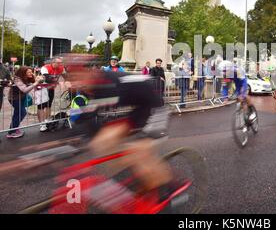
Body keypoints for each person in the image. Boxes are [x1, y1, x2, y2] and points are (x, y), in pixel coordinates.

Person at [61, 54, 186, 210]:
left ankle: (170, 185)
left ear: (90, 72)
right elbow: (87, 120)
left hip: (155, 107)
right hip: (138, 109)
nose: (75, 83)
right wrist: (58, 148)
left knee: (138, 150)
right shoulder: (95, 86)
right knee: (104, 143)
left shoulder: (106, 83)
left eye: (78, 77)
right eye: (73, 78)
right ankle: (140, 176)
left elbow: (90, 119)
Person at [7, 67, 44, 138]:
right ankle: (11, 132)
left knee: (17, 114)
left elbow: (39, 81)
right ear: (24, 73)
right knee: (22, 112)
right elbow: (24, 90)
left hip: (21, 98)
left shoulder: (28, 77)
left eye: (31, 71)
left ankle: (14, 128)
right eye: (29, 72)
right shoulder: (17, 79)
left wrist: (39, 79)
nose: (31, 73)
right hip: (14, 99)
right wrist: (35, 83)